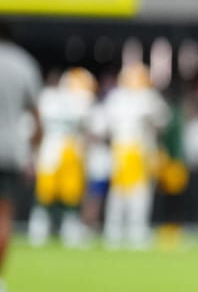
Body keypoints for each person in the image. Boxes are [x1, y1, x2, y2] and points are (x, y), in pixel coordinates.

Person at [99, 63, 170, 250]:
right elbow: (105, 126)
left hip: (135, 150)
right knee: (127, 193)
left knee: (133, 193)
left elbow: (162, 121)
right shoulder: (124, 97)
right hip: (127, 150)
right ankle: (121, 230)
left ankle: (127, 230)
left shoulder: (141, 97)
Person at [0, 22, 44, 292]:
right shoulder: (23, 64)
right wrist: (33, 154)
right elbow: (38, 121)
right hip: (8, 152)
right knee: (3, 218)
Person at [28, 67, 97, 248]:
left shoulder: (49, 97)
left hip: (56, 149)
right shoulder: (75, 100)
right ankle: (49, 228)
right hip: (61, 149)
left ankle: (45, 229)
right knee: (52, 193)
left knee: (63, 193)